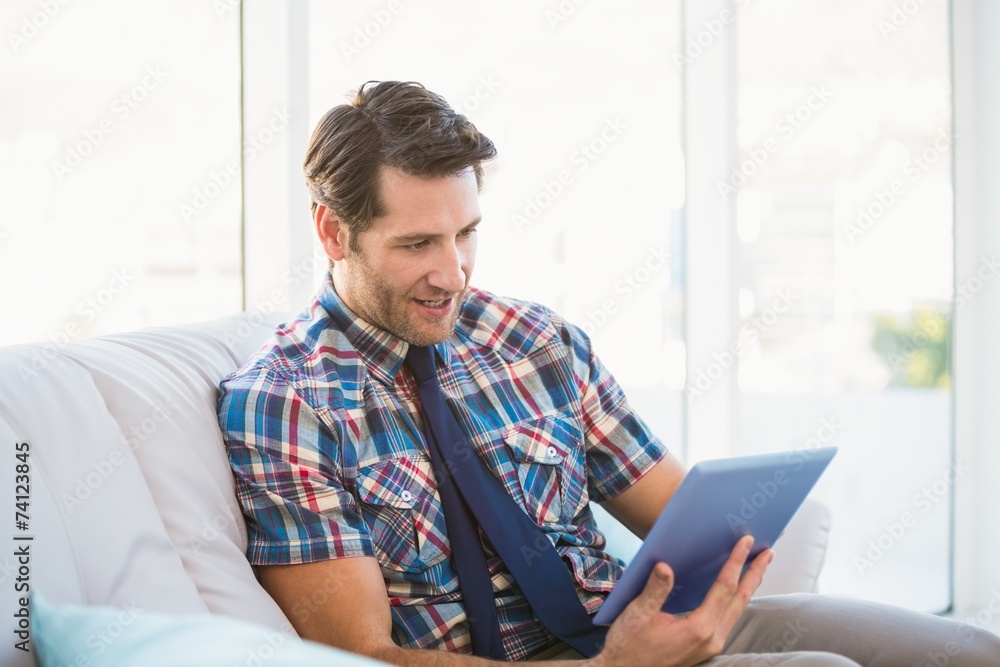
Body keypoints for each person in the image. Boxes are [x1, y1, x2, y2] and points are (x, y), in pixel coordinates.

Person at [218, 80, 1000, 666]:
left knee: (969, 649)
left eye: (467, 235)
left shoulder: (533, 339)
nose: (453, 273)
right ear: (333, 230)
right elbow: (361, 656)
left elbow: (680, 513)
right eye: (418, 243)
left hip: (632, 631)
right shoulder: (286, 404)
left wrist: (711, 579)